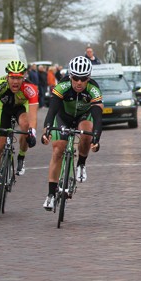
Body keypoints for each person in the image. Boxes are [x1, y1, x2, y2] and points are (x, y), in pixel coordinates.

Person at [41, 56, 102, 210]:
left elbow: (97, 117)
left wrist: (96, 137)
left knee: (87, 133)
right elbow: (52, 110)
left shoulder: (94, 89)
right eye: (75, 78)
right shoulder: (62, 86)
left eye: (83, 79)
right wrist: (47, 129)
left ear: (88, 78)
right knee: (58, 150)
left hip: (83, 116)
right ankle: (50, 195)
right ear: (70, 76)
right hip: (64, 117)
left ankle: (81, 163)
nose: (79, 82)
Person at [0, 60, 39, 205]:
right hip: (3, 110)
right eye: (12, 77)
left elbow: (33, 116)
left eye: (19, 78)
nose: (15, 81)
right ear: (7, 77)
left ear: (23, 77)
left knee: (25, 125)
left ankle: (21, 157)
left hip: (21, 109)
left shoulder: (30, 88)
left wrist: (32, 133)